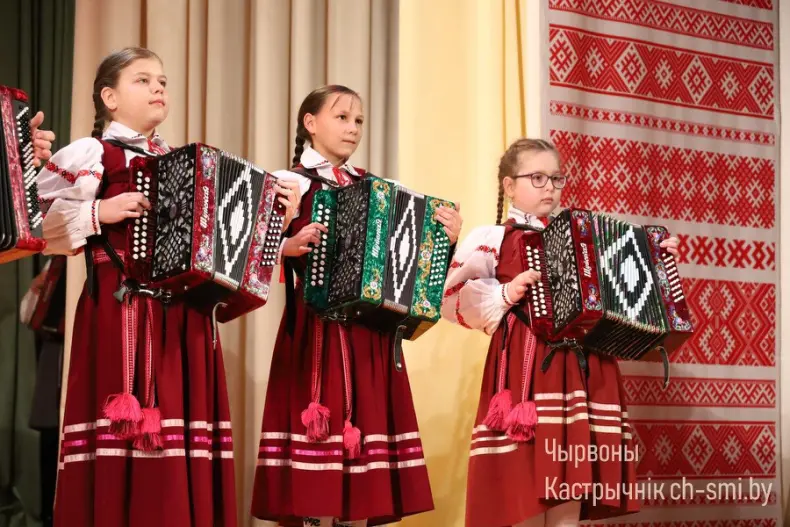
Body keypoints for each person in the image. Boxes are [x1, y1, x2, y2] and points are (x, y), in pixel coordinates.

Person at [36, 46, 300, 527]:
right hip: (121, 313)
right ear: (109, 97)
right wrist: (100, 212)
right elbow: (37, 226)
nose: (159, 87)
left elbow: (225, 247)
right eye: (142, 80)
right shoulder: (94, 153)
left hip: (185, 320)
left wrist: (272, 219)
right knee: (122, 437)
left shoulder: (188, 166)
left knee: (184, 437)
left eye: (162, 80)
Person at [250, 84, 463, 527]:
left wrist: (446, 237)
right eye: (342, 117)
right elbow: (247, 257)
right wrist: (288, 245)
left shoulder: (379, 188)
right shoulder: (287, 183)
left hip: (371, 337)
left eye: (359, 120)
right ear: (310, 124)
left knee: (361, 485)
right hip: (314, 334)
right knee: (315, 478)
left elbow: (411, 263)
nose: (353, 128)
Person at [441, 138, 679, 527]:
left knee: (569, 491)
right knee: (524, 492)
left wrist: (655, 259)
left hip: (582, 372)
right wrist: (506, 291)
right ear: (508, 185)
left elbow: (624, 292)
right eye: (537, 177)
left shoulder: (586, 236)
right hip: (527, 371)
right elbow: (449, 297)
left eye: (556, 178)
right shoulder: (493, 237)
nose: (549, 186)